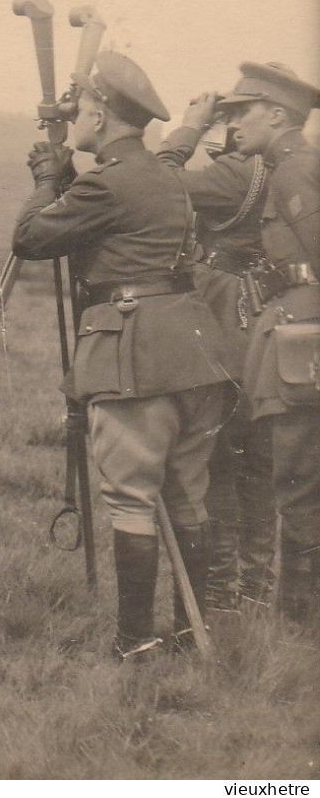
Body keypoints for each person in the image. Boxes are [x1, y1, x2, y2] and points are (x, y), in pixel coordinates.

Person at [14, 51, 235, 661]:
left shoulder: (105, 183)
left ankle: (135, 643)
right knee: (188, 493)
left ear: (103, 117)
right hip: (194, 354)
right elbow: (169, 153)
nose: (77, 123)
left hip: (137, 355)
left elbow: (29, 238)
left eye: (83, 112)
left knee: (130, 499)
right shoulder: (164, 172)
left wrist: (45, 180)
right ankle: (190, 634)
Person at [156, 88, 275, 611]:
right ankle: (254, 584)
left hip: (226, 316)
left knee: (220, 456)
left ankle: (225, 586)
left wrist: (186, 128)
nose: (226, 126)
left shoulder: (237, 174)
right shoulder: (267, 169)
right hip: (253, 317)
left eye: (230, 116)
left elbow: (159, 186)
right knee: (254, 460)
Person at [213, 62, 320, 625]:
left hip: (307, 342)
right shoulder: (289, 168)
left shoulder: (295, 173)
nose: (231, 123)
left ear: (277, 115)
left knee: (298, 487)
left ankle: (299, 631)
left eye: (241, 111)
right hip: (297, 331)